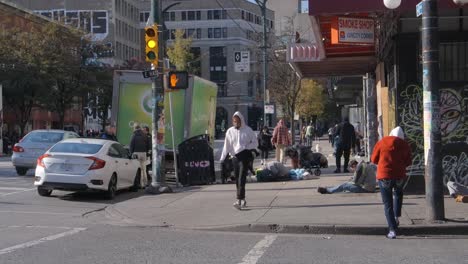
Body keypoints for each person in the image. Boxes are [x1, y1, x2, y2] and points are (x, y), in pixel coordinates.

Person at [371, 126, 412, 239]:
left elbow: (374, 159)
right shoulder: (404, 144)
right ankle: (397, 216)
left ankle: (392, 230)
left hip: (384, 175)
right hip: (399, 175)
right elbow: (408, 161)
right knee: (398, 194)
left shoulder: (382, 142)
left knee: (387, 203)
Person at [220, 112, 258, 210]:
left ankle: (239, 200)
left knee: (241, 178)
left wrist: (245, 147)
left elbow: (255, 143)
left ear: (241, 120)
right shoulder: (230, 131)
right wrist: (222, 158)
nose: (236, 122)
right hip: (235, 158)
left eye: (237, 121)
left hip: (244, 156)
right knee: (237, 179)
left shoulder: (248, 130)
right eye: (234, 121)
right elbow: (226, 145)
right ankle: (243, 198)